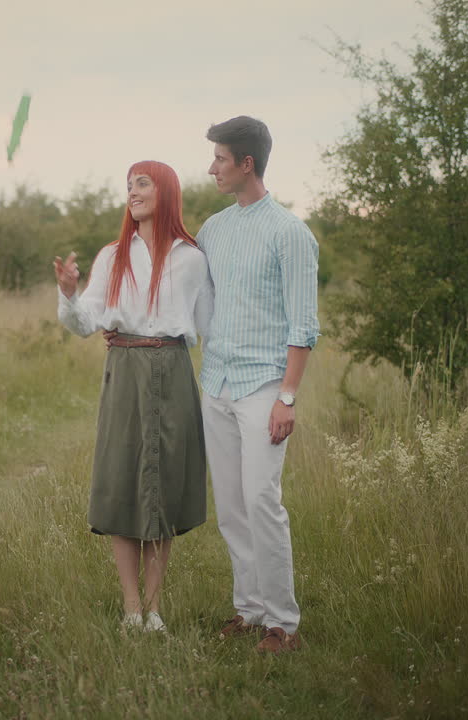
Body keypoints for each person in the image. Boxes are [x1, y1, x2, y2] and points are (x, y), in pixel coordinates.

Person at [53, 160, 213, 633]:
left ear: (166, 191)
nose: (133, 191)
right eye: (128, 185)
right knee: (123, 482)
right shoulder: (112, 255)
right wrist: (68, 293)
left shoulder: (192, 258)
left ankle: (155, 609)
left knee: (164, 484)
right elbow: (84, 323)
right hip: (123, 368)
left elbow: (208, 328)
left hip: (173, 369)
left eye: (142, 183)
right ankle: (130, 608)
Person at [196, 116, 319, 654]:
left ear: (247, 163)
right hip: (216, 383)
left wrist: (287, 398)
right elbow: (191, 297)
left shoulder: (290, 233)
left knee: (262, 499)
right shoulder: (212, 230)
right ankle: (247, 610)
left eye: (220, 159)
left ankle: (282, 624)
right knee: (230, 505)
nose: (212, 168)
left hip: (264, 387)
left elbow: (303, 325)